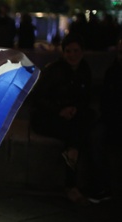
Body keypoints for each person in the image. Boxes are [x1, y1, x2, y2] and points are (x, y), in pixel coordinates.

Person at [29, 34, 97, 204]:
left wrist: (74, 109)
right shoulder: (54, 70)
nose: (72, 55)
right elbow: (37, 98)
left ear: (82, 52)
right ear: (63, 52)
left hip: (71, 117)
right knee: (76, 133)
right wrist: (59, 110)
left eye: (76, 51)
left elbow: (86, 97)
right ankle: (72, 185)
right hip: (47, 117)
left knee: (84, 122)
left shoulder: (84, 69)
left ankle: (71, 156)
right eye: (68, 51)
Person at [87, 39, 122, 203]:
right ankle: (102, 186)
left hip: (113, 118)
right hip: (111, 118)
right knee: (94, 137)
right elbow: (106, 102)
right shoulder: (113, 71)